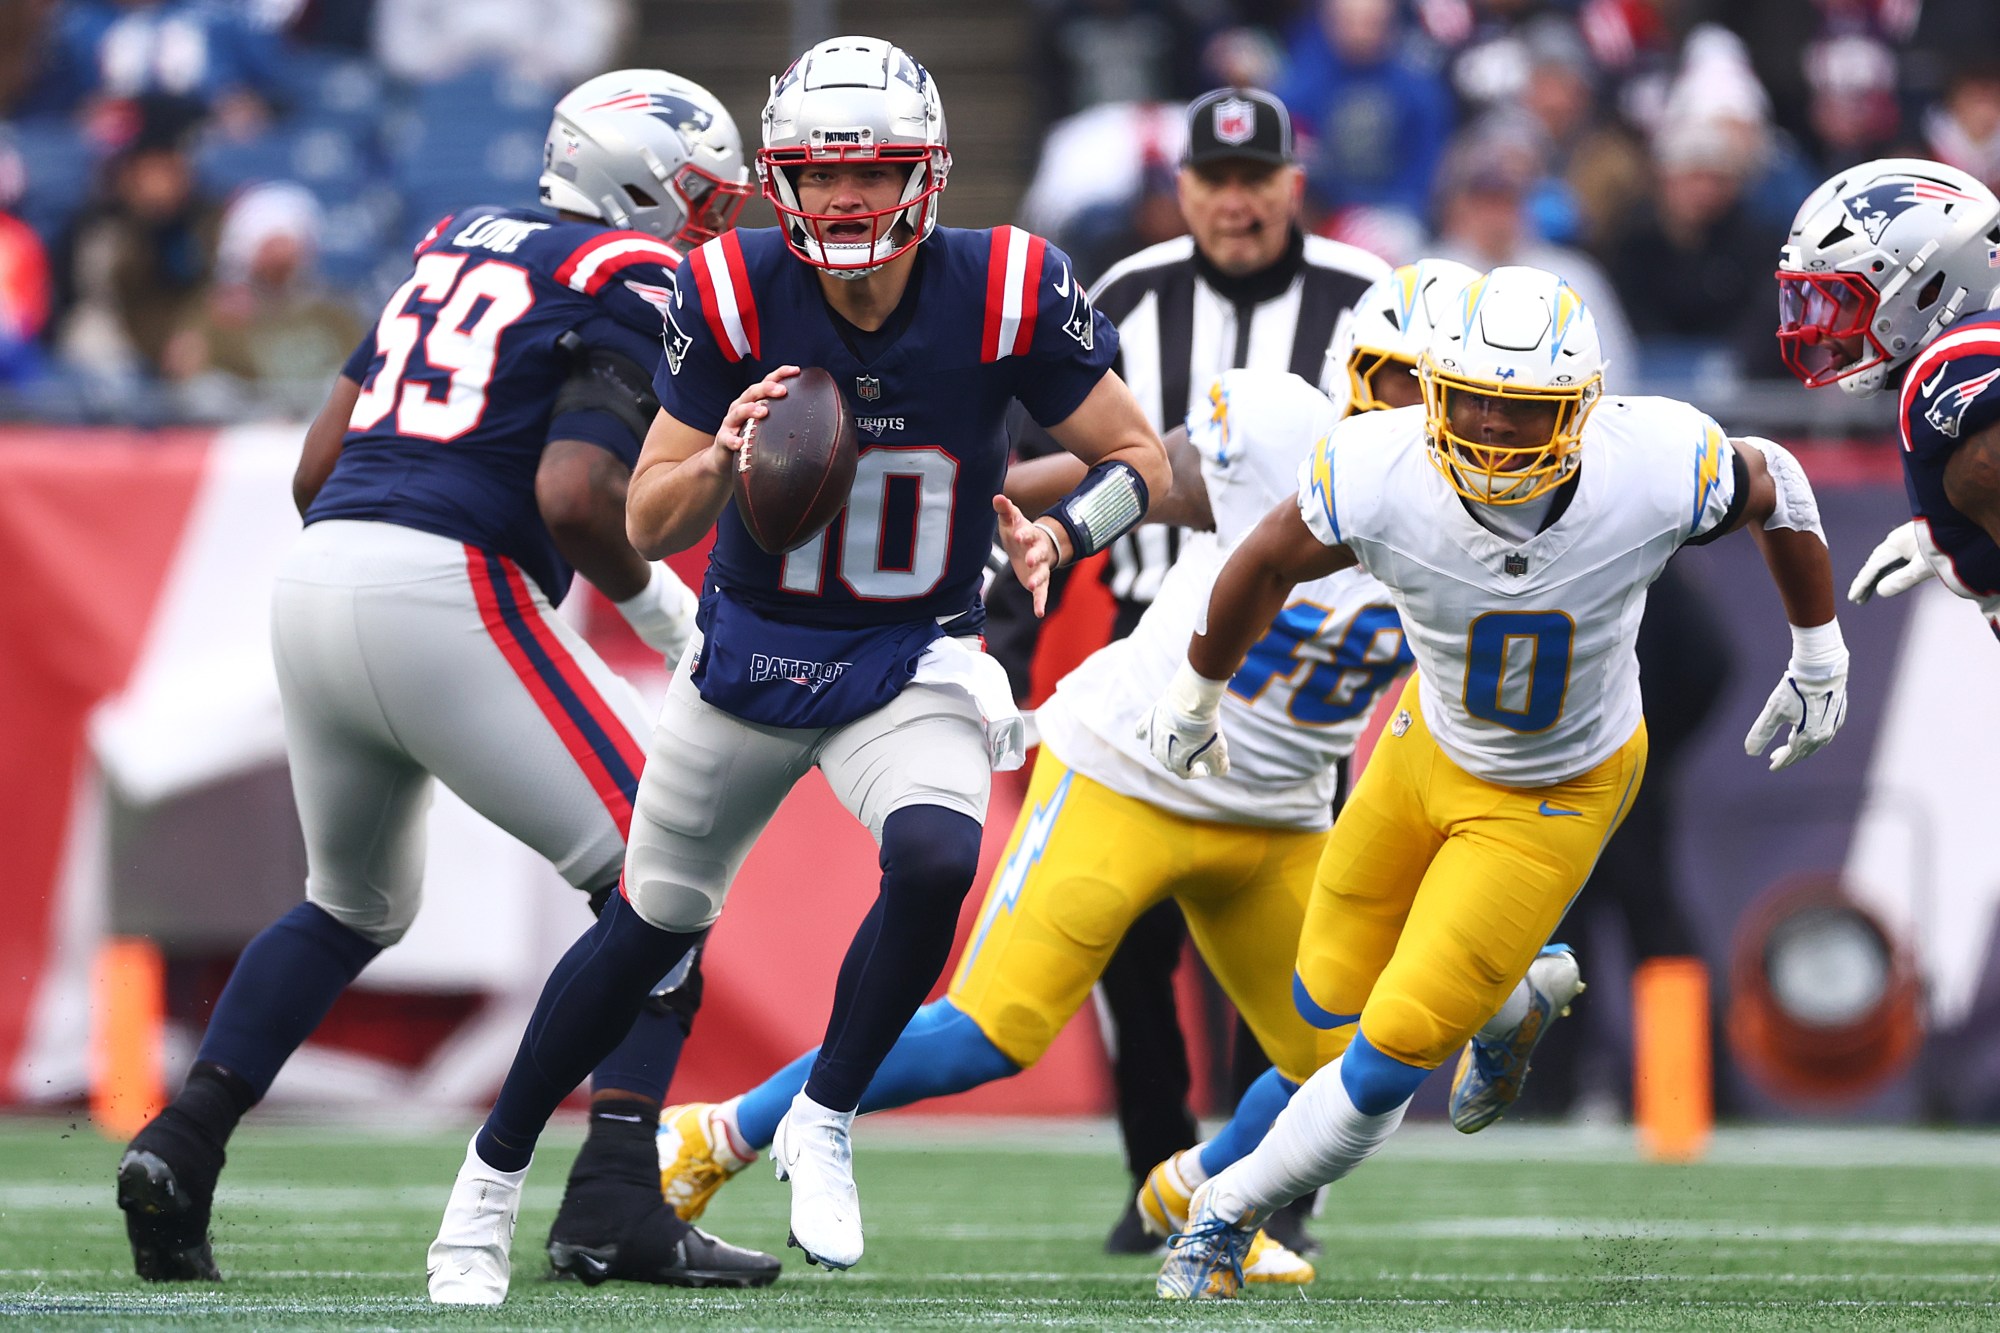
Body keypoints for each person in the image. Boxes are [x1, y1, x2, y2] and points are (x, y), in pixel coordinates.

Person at [424, 35, 1170, 1303]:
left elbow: (1141, 460)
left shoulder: (1002, 285)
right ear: (778, 179)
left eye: (870, 171)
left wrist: (1058, 530)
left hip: (909, 653)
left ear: (923, 175)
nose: (841, 201)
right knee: (641, 935)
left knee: (937, 857)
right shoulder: (725, 286)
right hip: (750, 658)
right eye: (818, 176)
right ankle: (482, 1196)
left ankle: (821, 1112)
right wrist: (716, 462)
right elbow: (644, 520)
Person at [649, 261, 1516, 1289]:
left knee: (1348, 1060)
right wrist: (1020, 511)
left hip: (1278, 811)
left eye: (1461, 399)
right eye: (1401, 383)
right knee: (988, 1032)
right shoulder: (1287, 435)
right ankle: (718, 1133)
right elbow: (1154, 473)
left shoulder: (1497, 513)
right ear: (1351, 373)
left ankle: (1197, 1191)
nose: (1430, 418)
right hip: (1130, 770)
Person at [115, 69, 778, 1292]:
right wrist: (664, 608)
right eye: (695, 197)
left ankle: (181, 1141)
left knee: (351, 903)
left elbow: (321, 463)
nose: (707, 224)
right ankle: (615, 1200)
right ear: (633, 183)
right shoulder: (623, 274)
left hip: (316, 574)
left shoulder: (446, 244)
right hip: (449, 583)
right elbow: (576, 497)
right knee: (663, 874)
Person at [1141, 265, 1849, 1299]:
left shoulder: (1646, 463)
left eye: (1521, 409)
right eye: (1469, 397)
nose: (1489, 427)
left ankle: (1220, 1214)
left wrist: (1816, 649)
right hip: (1423, 746)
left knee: (1386, 1059)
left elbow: (1773, 478)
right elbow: (1259, 560)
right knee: (1318, 997)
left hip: (1553, 790)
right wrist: (1196, 694)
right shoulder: (1378, 462)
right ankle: (1509, 996)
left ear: (1580, 408)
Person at [990, 85, 1388, 1257]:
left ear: (1290, 182)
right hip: (1148, 626)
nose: (1233, 200)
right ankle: (1152, 1163)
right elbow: (1084, 458)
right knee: (1132, 937)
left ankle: (1271, 1181)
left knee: (1291, 936)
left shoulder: (1364, 298)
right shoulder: (1129, 294)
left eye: (1253, 177)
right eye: (1211, 181)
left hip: (1299, 646)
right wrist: (1015, 557)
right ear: (1183, 190)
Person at [1776, 158, 2000, 643]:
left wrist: (1971, 499)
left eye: (1841, 298)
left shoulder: (1953, 366)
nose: (1819, 330)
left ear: (1928, 286)